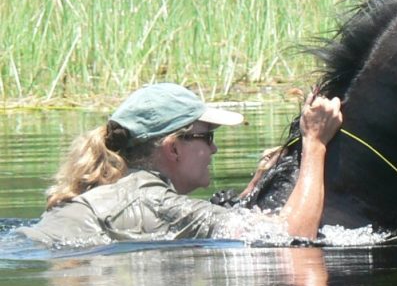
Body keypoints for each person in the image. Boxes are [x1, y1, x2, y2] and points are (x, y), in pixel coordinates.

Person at [19, 82, 342, 248]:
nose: (214, 149)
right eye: (207, 137)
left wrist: (257, 182)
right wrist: (314, 143)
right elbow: (290, 237)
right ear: (173, 148)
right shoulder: (158, 202)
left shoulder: (114, 188)